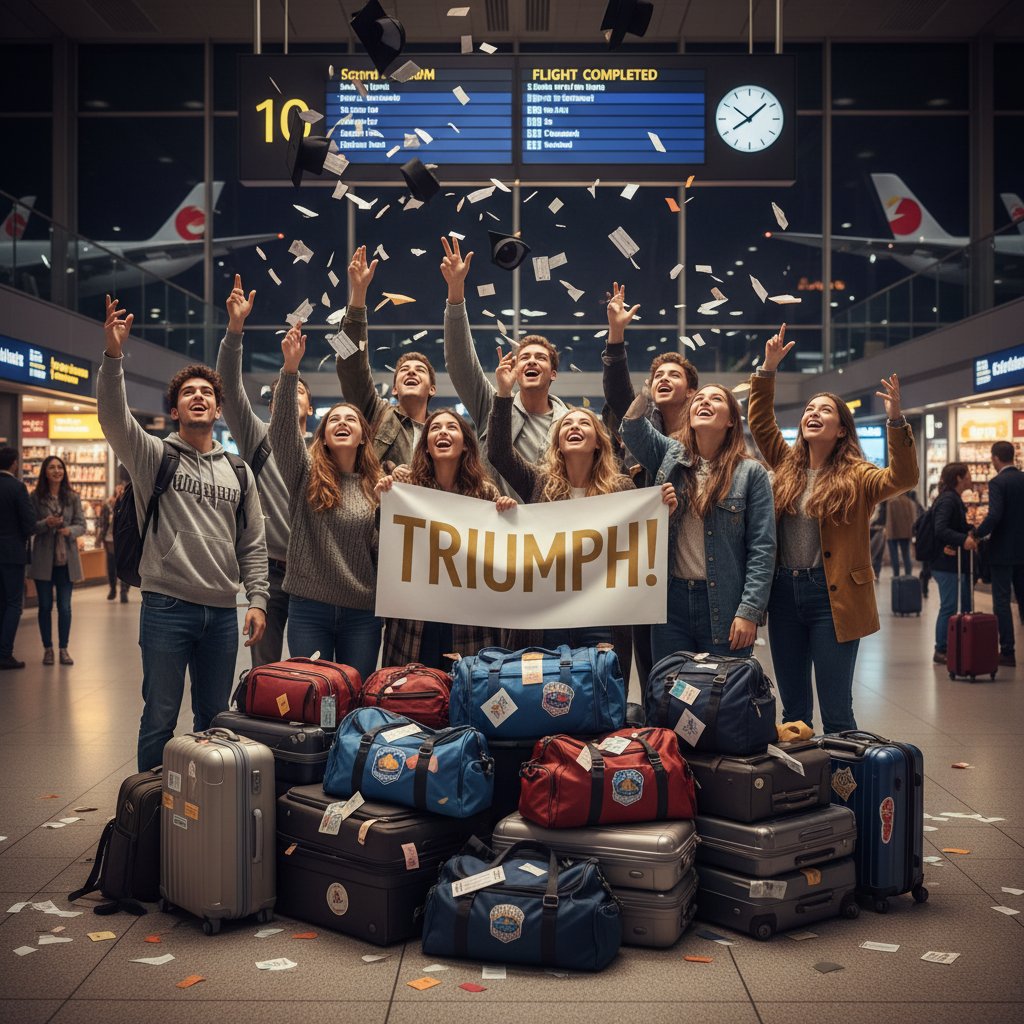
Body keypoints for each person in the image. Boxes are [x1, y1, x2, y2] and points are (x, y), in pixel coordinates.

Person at [98, 295, 269, 773]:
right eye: (188, 393)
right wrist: (114, 357)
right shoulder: (155, 456)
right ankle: (154, 814)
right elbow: (113, 418)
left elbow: (252, 542)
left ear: (217, 409)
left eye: (206, 393)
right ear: (175, 410)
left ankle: (207, 812)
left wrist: (257, 600)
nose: (199, 397)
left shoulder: (238, 470)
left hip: (221, 610)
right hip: (166, 606)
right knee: (160, 717)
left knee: (215, 721)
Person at [748, 324, 918, 734]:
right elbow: (761, 423)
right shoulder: (786, 464)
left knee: (837, 712)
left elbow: (904, 477)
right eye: (809, 409)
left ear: (841, 429)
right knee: (794, 714)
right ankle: (802, 794)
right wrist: (767, 369)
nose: (813, 413)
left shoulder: (858, 476)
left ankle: (846, 793)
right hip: (785, 596)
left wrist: (896, 421)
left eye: (824, 410)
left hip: (834, 597)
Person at [488, 347, 677, 650]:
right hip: (547, 616)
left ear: (599, 444)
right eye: (568, 425)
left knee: (600, 692)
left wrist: (663, 507)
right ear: (558, 445)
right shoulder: (539, 483)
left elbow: (645, 545)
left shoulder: (623, 490)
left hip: (601, 619)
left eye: (584, 423)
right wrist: (503, 393)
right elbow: (498, 453)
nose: (575, 427)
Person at [621, 382, 776, 665]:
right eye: (699, 399)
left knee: (722, 700)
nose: (704, 402)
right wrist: (646, 393)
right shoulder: (671, 456)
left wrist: (749, 610)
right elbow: (631, 428)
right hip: (670, 602)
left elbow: (763, 548)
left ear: (730, 420)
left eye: (716, 399)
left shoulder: (751, 473)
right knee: (669, 697)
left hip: (725, 603)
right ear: (689, 415)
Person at [271, 321, 383, 681]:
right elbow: (282, 431)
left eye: (351, 419)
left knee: (355, 696)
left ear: (364, 437)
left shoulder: (379, 486)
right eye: (334, 419)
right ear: (324, 435)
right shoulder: (305, 474)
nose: (342, 422)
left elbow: (385, 552)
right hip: (309, 609)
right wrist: (290, 370)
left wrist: (386, 510)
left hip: (362, 614)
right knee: (312, 699)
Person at [603, 282, 700, 687]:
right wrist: (617, 335)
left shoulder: (707, 437)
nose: (662, 379)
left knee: (690, 672)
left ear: (692, 390)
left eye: (673, 375)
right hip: (644, 561)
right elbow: (620, 396)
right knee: (649, 660)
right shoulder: (645, 435)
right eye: (657, 374)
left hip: (692, 566)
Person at [217, 273, 315, 667]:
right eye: (280, 393)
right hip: (270, 572)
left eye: (298, 391)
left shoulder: (327, 451)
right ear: (274, 404)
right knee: (267, 670)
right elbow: (227, 384)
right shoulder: (259, 438)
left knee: (314, 672)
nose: (289, 396)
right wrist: (235, 329)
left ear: (308, 405)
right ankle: (266, 731)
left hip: (313, 575)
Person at [375, 409, 515, 668]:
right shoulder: (406, 485)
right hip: (416, 620)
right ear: (426, 446)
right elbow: (387, 538)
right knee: (413, 696)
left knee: (464, 693)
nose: (442, 432)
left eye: (452, 427)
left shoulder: (484, 493)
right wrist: (385, 502)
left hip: (468, 621)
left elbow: (502, 553)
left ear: (465, 445)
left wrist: (507, 513)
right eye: (435, 428)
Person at [441, 235, 569, 498]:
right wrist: (456, 292)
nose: (531, 361)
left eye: (540, 358)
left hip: (552, 528)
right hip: (494, 528)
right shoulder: (494, 406)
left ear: (553, 373)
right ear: (516, 370)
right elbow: (460, 363)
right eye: (524, 358)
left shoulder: (569, 423)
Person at [336, 245, 437, 472]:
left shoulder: (441, 429)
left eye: (420, 370)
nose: (411, 372)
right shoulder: (377, 414)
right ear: (394, 390)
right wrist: (358, 295)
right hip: (378, 507)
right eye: (404, 370)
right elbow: (350, 367)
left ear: (432, 389)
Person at [29, 455, 86, 666]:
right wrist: (47, 523)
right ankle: (48, 649)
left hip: (66, 561)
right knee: (44, 606)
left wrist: (67, 530)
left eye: (59, 467)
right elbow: (30, 526)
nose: (56, 471)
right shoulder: (35, 497)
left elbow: (82, 525)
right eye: (52, 468)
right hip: (43, 559)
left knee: (65, 607)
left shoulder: (72, 497)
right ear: (45, 472)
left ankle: (63, 648)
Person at [971, 441, 1023, 667]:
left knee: (1001, 601)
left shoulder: (997, 482)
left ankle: (1008, 651)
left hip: (1002, 551)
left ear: (995, 458)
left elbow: (994, 516)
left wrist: (977, 533)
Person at [928, 463, 978, 665]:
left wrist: (970, 529)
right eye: (968, 475)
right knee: (948, 606)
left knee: (959, 604)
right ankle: (941, 648)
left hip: (953, 562)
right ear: (958, 478)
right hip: (946, 564)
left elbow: (951, 525)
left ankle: (960, 644)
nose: (971, 478)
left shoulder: (952, 498)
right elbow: (940, 529)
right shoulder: (948, 499)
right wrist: (962, 539)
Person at [0, 447, 36, 669]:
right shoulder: (17, 488)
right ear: (14, 463)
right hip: (12, 554)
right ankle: (5, 653)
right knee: (14, 603)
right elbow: (29, 524)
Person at [96, 483, 130, 603]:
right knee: (112, 564)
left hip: (124, 538)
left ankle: (124, 590)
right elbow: (101, 522)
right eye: (118, 487)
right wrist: (99, 538)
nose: (120, 490)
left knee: (124, 564)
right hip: (110, 538)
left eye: (122, 488)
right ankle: (113, 588)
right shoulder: (107, 505)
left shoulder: (129, 503)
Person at [884, 491, 917, 577]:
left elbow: (890, 520)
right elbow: (913, 520)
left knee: (894, 556)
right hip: (906, 533)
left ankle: (896, 576)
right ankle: (908, 575)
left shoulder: (891, 502)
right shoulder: (910, 503)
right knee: (906, 556)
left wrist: (888, 533)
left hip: (893, 533)